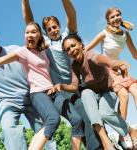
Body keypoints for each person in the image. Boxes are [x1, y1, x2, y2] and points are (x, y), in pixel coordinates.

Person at [0, 22, 84, 150]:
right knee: (50, 120)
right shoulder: (20, 52)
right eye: (27, 32)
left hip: (43, 92)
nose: (30, 35)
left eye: (33, 32)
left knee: (72, 120)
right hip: (26, 96)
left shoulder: (40, 51)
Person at [22, 0, 103, 149]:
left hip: (79, 85)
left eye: (54, 27)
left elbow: (71, 14)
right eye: (49, 29)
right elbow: (30, 23)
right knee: (82, 114)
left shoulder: (68, 37)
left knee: (94, 115)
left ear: (59, 26)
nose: (52, 30)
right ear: (45, 33)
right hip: (63, 90)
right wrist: (25, 3)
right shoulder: (45, 43)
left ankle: (111, 141)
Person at [48, 34, 137, 150]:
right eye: (68, 49)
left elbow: (99, 59)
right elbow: (74, 86)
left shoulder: (89, 55)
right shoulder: (75, 65)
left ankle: (131, 131)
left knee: (104, 113)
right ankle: (106, 142)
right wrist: (61, 86)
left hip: (107, 92)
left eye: (73, 45)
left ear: (80, 44)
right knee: (85, 93)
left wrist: (113, 63)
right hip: (94, 93)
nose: (72, 50)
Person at [84, 7, 137, 149]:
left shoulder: (125, 34)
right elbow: (87, 49)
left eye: (118, 15)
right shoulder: (104, 34)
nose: (116, 18)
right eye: (112, 17)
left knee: (136, 91)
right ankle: (123, 135)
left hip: (120, 68)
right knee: (124, 96)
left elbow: (134, 54)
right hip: (107, 70)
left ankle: (127, 134)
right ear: (107, 20)